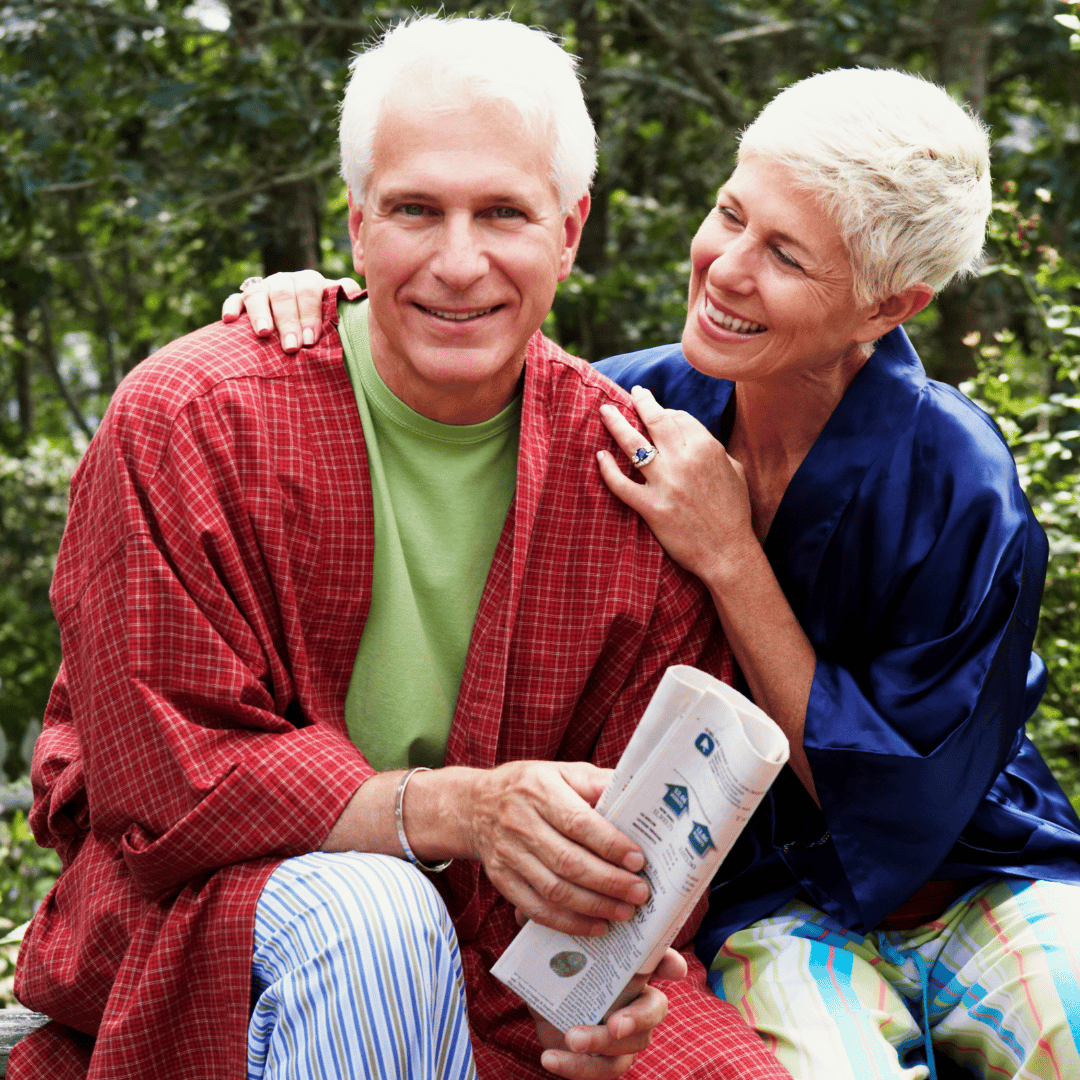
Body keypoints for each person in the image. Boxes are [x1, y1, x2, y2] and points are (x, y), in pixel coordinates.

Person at [241, 67, 1080, 1079]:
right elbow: (455, 345)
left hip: (980, 880)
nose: (728, 268)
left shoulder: (960, 478)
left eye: (785, 256)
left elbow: (893, 808)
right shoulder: (633, 409)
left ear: (887, 306)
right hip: (759, 908)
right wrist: (327, 305)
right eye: (731, 215)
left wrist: (731, 554)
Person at [11, 17, 796, 1080]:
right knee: (378, 916)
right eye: (417, 209)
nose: (459, 262)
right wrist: (461, 811)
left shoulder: (631, 480)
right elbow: (165, 788)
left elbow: (638, 844)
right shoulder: (194, 417)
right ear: (358, 224)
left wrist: (608, 990)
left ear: (568, 231)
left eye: (505, 214)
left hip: (510, 972)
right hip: (228, 919)